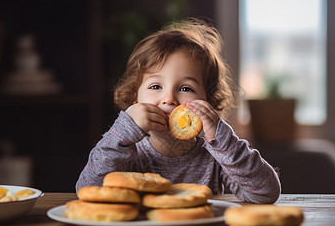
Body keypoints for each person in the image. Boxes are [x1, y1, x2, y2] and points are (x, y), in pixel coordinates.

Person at [76, 18, 281, 204]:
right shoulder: (126, 152)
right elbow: (87, 191)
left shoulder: (216, 155)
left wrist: (220, 137)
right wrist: (122, 132)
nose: (169, 99)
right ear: (134, 98)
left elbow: (265, 193)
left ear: (208, 101)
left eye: (186, 89)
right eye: (156, 86)